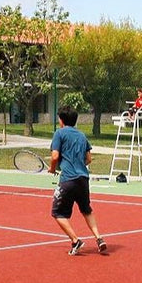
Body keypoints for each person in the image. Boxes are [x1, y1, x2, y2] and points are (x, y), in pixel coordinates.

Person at [48, 106, 107, 255]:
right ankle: (99, 238)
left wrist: (53, 169)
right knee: (86, 210)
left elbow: (55, 156)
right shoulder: (82, 136)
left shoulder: (59, 133)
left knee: (57, 213)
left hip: (68, 179)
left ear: (61, 120)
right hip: (83, 179)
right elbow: (88, 159)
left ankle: (75, 241)